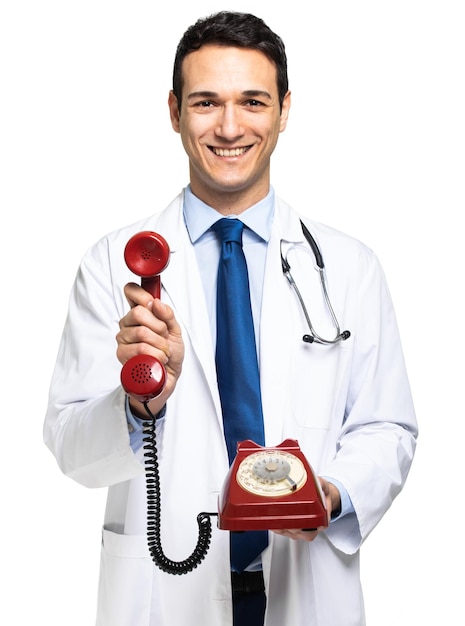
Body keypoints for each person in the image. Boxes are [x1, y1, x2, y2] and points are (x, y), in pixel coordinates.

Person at [44, 10, 418, 626]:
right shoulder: (113, 265)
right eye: (205, 102)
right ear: (173, 112)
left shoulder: (350, 267)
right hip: (165, 592)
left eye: (252, 101)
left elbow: (389, 428)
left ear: (284, 110)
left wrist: (332, 494)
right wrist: (141, 405)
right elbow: (70, 447)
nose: (229, 126)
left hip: (308, 588)